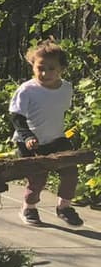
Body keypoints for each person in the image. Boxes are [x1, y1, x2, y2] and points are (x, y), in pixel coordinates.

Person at [9, 40, 83, 226]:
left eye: (51, 68)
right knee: (38, 178)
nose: (45, 73)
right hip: (29, 142)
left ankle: (64, 207)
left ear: (62, 68)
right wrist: (27, 136)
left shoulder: (66, 88)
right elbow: (16, 116)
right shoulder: (27, 90)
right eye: (40, 68)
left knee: (70, 172)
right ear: (32, 66)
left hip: (57, 139)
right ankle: (29, 208)